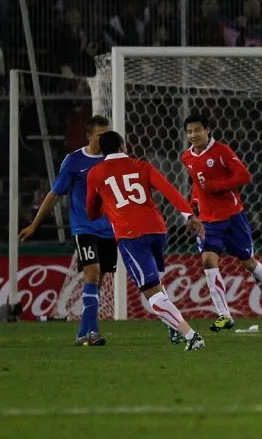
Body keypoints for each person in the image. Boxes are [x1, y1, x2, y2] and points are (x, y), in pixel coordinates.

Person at [86, 131, 207, 351]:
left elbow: (91, 212)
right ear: (123, 146)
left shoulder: (95, 173)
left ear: (102, 151)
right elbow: (169, 190)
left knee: (151, 293)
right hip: (158, 230)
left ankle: (191, 336)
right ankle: (172, 326)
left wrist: (107, 206)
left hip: (131, 235)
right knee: (156, 285)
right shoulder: (142, 166)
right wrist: (189, 216)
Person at [20, 116, 116, 346]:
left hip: (108, 228)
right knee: (92, 272)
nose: (105, 139)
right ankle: (93, 332)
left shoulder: (112, 159)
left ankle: (83, 333)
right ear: (89, 136)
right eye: (100, 135)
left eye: (107, 134)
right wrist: (35, 224)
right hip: (83, 227)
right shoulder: (74, 161)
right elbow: (54, 194)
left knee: (99, 280)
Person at [180, 114, 262, 332]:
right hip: (208, 222)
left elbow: (244, 176)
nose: (194, 135)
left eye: (197, 130)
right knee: (208, 261)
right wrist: (193, 204)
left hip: (233, 218)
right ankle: (224, 315)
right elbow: (198, 184)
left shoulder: (221, 151)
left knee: (249, 262)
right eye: (189, 131)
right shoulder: (186, 157)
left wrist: (218, 186)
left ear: (207, 130)